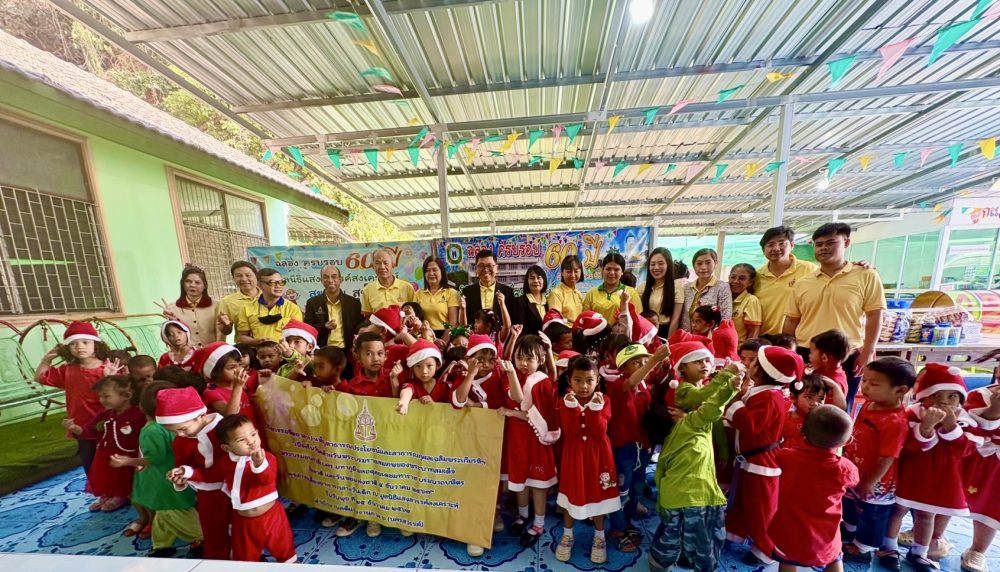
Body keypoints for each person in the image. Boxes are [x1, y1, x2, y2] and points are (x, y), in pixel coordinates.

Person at [649, 361, 744, 572]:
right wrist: (730, 385)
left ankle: (659, 563)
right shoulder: (691, 424)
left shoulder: (669, 444)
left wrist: (662, 503)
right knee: (704, 538)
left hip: (672, 496)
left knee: (670, 534)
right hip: (699, 496)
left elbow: (659, 474)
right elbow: (711, 409)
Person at [783, 223, 886, 409]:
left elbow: (874, 315)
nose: (824, 248)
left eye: (831, 243)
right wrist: (788, 353)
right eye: (819, 244)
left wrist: (869, 351)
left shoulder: (866, 275)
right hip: (807, 352)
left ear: (846, 243)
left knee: (841, 405)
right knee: (803, 402)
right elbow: (791, 320)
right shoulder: (803, 282)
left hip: (846, 354)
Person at [171, 414, 296, 563]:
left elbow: (266, 479)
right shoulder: (225, 463)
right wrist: (187, 472)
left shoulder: (267, 458)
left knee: (284, 551)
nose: (251, 441)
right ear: (226, 447)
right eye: (241, 440)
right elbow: (209, 475)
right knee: (245, 557)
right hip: (243, 521)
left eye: (253, 434)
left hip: (272, 516)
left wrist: (259, 464)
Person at [889, 364, 977, 572]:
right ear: (924, 396)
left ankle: (919, 552)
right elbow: (907, 446)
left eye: (951, 396)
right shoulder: (913, 414)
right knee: (897, 510)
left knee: (926, 515)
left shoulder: (963, 420)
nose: (943, 402)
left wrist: (951, 427)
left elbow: (966, 450)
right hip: (910, 474)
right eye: (936, 395)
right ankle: (888, 547)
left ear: (960, 399)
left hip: (939, 479)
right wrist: (926, 428)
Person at [724, 345, 802, 566]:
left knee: (761, 509)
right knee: (742, 501)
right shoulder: (763, 391)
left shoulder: (770, 397)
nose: (749, 365)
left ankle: (765, 549)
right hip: (750, 458)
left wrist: (735, 402)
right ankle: (734, 532)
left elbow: (751, 425)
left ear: (762, 370)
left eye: (754, 362)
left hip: (761, 462)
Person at [841, 357, 916, 568]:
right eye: (865, 380)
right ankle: (849, 529)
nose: (865, 387)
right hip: (856, 469)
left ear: (900, 390)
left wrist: (871, 481)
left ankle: (863, 548)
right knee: (850, 503)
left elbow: (887, 456)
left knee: (872, 513)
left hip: (877, 481)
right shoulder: (870, 404)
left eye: (874, 384)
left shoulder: (895, 422)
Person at [117, 381, 202, 557]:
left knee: (175, 513)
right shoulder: (176, 424)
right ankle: (162, 545)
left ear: (141, 406)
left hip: (164, 482)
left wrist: (128, 461)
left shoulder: (151, 431)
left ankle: (202, 538)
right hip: (170, 479)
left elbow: (155, 458)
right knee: (163, 515)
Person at [769, 405, 858, 572]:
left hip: (789, 531)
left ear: (802, 431)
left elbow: (777, 457)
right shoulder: (845, 468)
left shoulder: (786, 456)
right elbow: (854, 481)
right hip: (826, 534)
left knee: (787, 559)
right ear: (847, 441)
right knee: (834, 558)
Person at [554, 356, 620, 565]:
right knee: (571, 493)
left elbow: (599, 432)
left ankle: (599, 537)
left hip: (598, 456)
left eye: (589, 380)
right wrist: (573, 408)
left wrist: (594, 410)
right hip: (574, 456)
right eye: (578, 380)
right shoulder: (565, 401)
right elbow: (571, 431)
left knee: (597, 494)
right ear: (569, 381)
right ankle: (567, 534)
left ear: (597, 381)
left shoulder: (604, 400)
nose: (584, 386)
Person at [156, 386, 231, 560]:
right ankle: (217, 561)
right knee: (213, 529)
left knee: (241, 527)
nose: (179, 434)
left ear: (201, 416)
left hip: (236, 488)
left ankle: (250, 558)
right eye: (173, 431)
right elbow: (183, 464)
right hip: (207, 495)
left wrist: (191, 473)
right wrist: (180, 476)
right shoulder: (180, 442)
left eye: (183, 429)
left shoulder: (225, 430)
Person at [608, 344, 670, 552]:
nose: (644, 365)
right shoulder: (618, 385)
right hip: (624, 448)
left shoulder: (644, 385)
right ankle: (617, 529)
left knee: (635, 489)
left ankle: (627, 523)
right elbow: (631, 382)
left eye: (645, 361)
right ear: (622, 368)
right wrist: (654, 360)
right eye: (637, 362)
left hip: (642, 447)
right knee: (620, 491)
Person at [505, 335, 560, 548]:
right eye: (520, 357)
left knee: (537, 484)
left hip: (536, 440)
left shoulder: (541, 383)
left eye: (530, 358)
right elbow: (516, 396)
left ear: (540, 360)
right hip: (517, 439)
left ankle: (538, 523)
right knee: (520, 480)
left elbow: (528, 410)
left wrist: (509, 412)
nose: (523, 363)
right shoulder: (513, 377)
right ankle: (522, 516)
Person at [36, 322, 111, 476]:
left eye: (85, 342)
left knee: (110, 463)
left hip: (105, 426)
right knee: (90, 465)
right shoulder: (68, 370)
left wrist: (110, 377)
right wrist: (45, 360)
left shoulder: (108, 368)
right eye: (73, 343)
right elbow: (40, 377)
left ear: (96, 344)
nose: (79, 347)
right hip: (81, 427)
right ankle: (97, 488)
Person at [63, 375, 144, 515]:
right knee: (107, 475)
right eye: (100, 396)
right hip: (104, 454)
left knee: (123, 476)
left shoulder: (137, 414)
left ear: (126, 395)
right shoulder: (105, 414)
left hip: (127, 455)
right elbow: (90, 430)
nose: (102, 400)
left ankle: (121, 495)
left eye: (106, 396)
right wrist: (74, 428)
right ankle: (108, 493)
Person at [961, 381, 1000, 572]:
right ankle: (933, 536)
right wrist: (993, 410)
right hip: (974, 456)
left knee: (992, 507)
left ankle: (978, 550)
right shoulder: (978, 395)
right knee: (949, 497)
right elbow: (970, 426)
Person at [754, 227, 818, 336]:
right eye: (770, 244)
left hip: (797, 339)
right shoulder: (757, 276)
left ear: (792, 245)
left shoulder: (809, 270)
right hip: (763, 338)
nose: (776, 248)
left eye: (782, 243)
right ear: (763, 250)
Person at [236, 268, 304, 345]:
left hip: (284, 351)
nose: (278, 286)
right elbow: (242, 336)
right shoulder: (247, 308)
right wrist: (256, 342)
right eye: (272, 283)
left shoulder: (293, 308)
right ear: (260, 285)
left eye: (281, 282)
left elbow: (297, 336)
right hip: (259, 351)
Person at [303, 265, 363, 351]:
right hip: (322, 351)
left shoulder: (354, 303)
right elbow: (308, 329)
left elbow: (359, 328)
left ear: (340, 279)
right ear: (321, 280)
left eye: (334, 277)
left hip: (348, 351)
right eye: (326, 277)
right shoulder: (312, 303)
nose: (330, 280)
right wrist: (324, 327)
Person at [161, 265, 222, 348]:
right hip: (187, 353)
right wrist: (172, 322)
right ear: (183, 284)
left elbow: (220, 332)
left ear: (204, 285)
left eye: (197, 282)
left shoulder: (216, 306)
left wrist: (218, 350)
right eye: (188, 281)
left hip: (212, 352)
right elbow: (171, 336)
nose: (192, 285)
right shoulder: (172, 308)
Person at [782, 373, 844, 451]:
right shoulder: (784, 416)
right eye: (809, 397)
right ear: (793, 397)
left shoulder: (822, 419)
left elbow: (841, 408)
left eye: (821, 399)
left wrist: (836, 387)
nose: (815, 403)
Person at [583, 252, 642, 325]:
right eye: (608, 269)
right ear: (602, 270)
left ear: (622, 272)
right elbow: (585, 320)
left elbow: (638, 320)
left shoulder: (631, 292)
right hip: (596, 332)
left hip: (622, 332)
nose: (612, 273)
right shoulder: (591, 293)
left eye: (616, 269)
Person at [680, 249, 732, 331]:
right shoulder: (686, 288)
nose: (703, 267)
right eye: (699, 263)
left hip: (710, 337)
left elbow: (725, 318)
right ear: (694, 266)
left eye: (708, 263)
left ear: (715, 263)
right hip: (686, 335)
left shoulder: (722, 287)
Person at [462, 249, 516, 326]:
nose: (486, 269)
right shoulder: (467, 292)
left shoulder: (508, 292)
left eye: (489, 265)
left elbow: (513, 320)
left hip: (501, 333)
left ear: (497, 268)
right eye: (481, 266)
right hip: (475, 333)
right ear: (476, 269)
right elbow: (465, 321)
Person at [394, 340, 449, 414]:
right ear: (412, 368)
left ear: (437, 365)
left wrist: (434, 405)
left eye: (429, 366)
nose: (424, 371)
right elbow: (407, 391)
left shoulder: (443, 386)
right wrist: (404, 402)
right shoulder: (413, 385)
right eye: (418, 366)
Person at [640, 247, 684, 338]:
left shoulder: (677, 287)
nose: (656, 267)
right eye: (652, 264)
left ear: (668, 265)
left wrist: (668, 341)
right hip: (645, 331)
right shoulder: (642, 287)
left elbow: (675, 319)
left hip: (666, 332)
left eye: (661, 263)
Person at [412, 256, 460, 338]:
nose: (431, 273)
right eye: (427, 270)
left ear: (442, 272)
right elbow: (415, 321)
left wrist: (443, 342)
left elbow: (453, 324)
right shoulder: (418, 294)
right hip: (424, 336)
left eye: (434, 270)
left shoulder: (452, 293)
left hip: (446, 336)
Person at [361, 247, 415, 314]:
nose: (382, 267)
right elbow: (367, 316)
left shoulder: (407, 288)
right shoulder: (367, 290)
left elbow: (414, 314)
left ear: (393, 264)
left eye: (385, 263)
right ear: (373, 266)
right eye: (377, 263)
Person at [217, 261, 259, 341]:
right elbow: (226, 332)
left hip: (271, 346)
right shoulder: (227, 301)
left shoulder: (268, 295)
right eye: (239, 276)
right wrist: (225, 325)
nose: (244, 279)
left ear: (256, 276)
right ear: (233, 278)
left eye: (248, 275)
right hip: (244, 346)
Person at [809, 329, 851, 406]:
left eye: (811, 352)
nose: (809, 356)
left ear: (824, 358)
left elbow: (829, 409)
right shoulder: (821, 370)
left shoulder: (834, 384)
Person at [729, 263, 762, 343]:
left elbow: (753, 333)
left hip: (738, 348)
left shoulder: (751, 301)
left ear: (750, 282)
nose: (736, 281)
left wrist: (745, 350)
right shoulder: (723, 297)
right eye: (733, 277)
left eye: (742, 278)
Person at [513, 265, 549, 336]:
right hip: (529, 341)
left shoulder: (549, 301)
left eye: (539, 278)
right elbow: (519, 329)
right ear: (527, 281)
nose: (536, 281)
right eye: (532, 278)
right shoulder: (520, 301)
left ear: (544, 280)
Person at [548, 254, 585, 323]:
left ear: (581, 272)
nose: (573, 275)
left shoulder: (579, 294)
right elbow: (555, 322)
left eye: (576, 271)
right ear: (562, 273)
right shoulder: (556, 294)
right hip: (564, 330)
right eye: (569, 271)